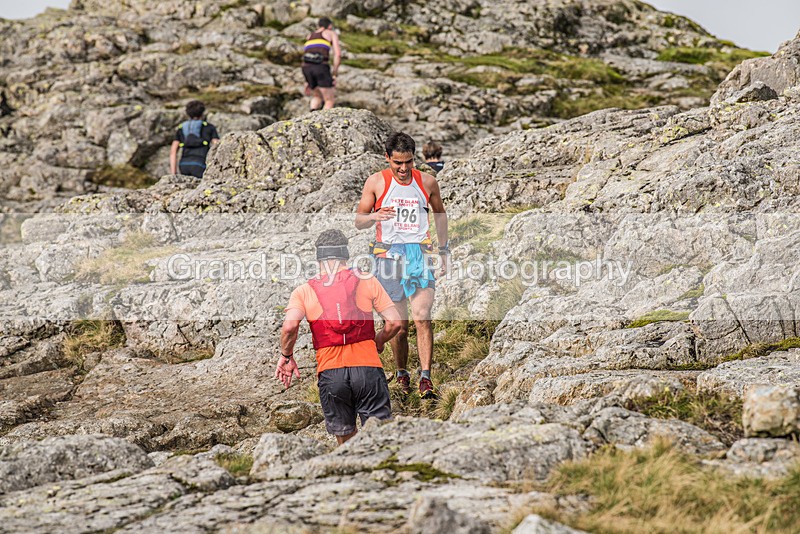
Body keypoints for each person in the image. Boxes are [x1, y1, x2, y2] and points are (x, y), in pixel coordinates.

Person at [275, 229, 402, 445]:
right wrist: (378, 342)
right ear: (345, 255)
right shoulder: (367, 281)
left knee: (345, 444)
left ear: (319, 258)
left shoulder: (304, 291)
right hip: (368, 369)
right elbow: (395, 322)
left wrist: (286, 356)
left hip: (331, 373)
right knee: (382, 439)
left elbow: (289, 327)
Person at [355, 132, 449, 399]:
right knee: (398, 324)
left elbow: (440, 215)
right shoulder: (375, 182)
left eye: (408, 162)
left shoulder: (427, 182)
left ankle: (426, 378)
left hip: (418, 255)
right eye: (398, 163)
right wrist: (375, 215)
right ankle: (401, 372)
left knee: (422, 315)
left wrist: (444, 250)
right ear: (387, 158)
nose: (404, 168)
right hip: (387, 257)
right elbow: (359, 220)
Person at [169, 100, 220, 179]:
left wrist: (173, 174)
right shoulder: (209, 127)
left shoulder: (181, 128)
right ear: (202, 112)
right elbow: (217, 146)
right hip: (200, 164)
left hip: (184, 165)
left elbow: (173, 152)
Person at [301, 17, 341, 111]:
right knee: (329, 100)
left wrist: (307, 81)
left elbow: (307, 53)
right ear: (330, 26)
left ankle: (310, 120)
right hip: (320, 67)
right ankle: (325, 123)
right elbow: (338, 54)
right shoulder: (330, 33)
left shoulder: (310, 36)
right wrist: (334, 73)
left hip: (306, 67)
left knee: (317, 96)